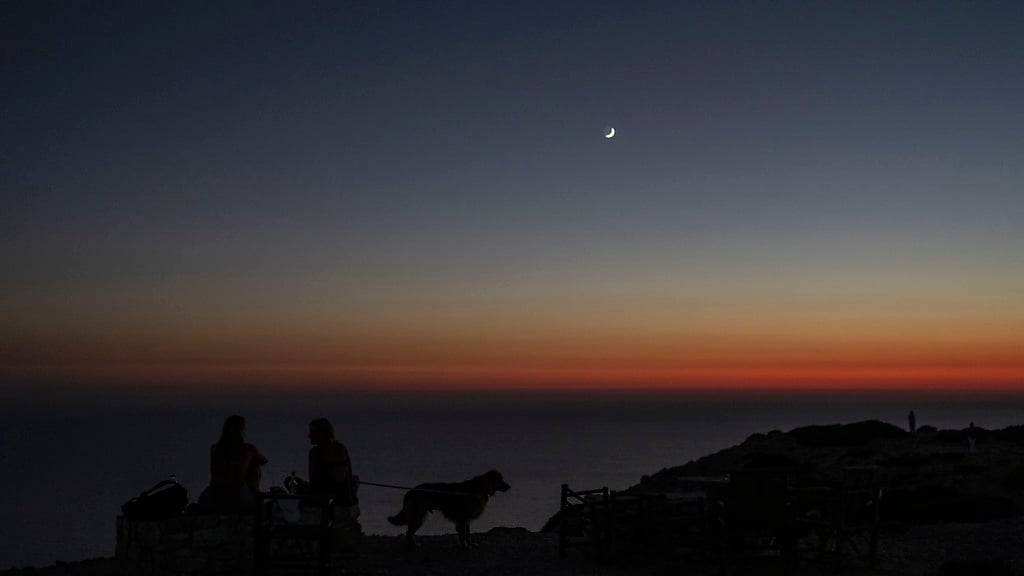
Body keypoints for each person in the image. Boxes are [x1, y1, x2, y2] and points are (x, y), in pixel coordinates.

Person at [198, 415, 268, 513]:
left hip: (213, 495)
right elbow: (264, 461)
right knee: (255, 466)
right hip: (237, 497)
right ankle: (255, 491)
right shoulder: (247, 449)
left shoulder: (215, 449)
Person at [308, 418, 358, 507]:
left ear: (322, 434)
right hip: (332, 495)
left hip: (329, 498)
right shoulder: (339, 448)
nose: (309, 436)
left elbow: (338, 478)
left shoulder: (317, 452)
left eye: (313, 432)